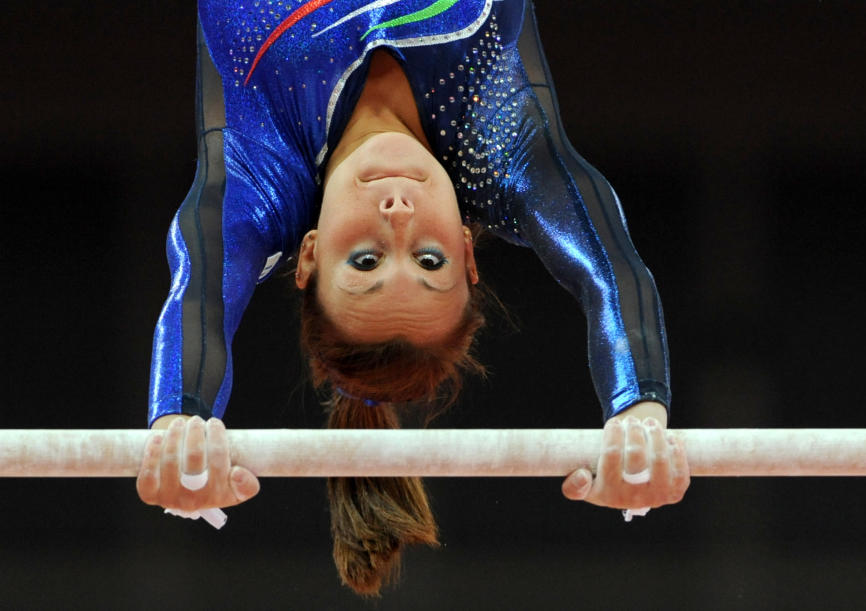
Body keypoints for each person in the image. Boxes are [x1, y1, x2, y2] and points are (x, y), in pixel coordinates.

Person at [137, 0, 689, 595]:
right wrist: (639, 416)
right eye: (431, 260)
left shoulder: (259, 184)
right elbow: (611, 273)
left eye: (365, 261)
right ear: (468, 253)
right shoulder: (499, 148)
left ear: (310, 256)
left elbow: (200, 302)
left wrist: (181, 421)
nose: (397, 218)